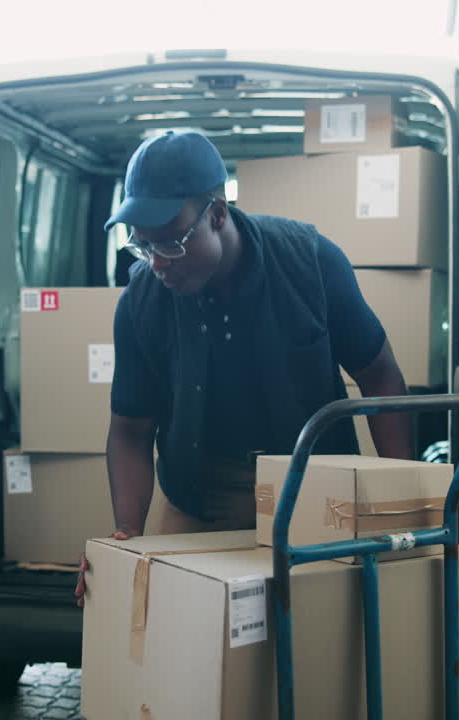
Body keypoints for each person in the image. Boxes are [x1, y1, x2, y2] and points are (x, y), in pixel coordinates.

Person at [76, 131, 412, 606]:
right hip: (197, 491)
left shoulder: (311, 263)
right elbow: (131, 430)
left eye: (169, 244)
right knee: (184, 630)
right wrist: (127, 535)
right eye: (143, 247)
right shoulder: (141, 300)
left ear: (217, 215)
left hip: (313, 489)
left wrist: (397, 510)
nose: (157, 265)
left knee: (316, 633)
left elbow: (381, 378)